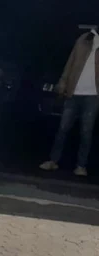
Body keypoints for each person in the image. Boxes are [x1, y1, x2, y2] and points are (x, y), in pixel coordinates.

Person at [40, 29, 99, 176]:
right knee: (63, 128)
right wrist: (63, 81)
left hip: (93, 95)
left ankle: (81, 166)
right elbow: (71, 62)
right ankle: (53, 161)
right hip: (74, 91)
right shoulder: (84, 39)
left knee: (86, 132)